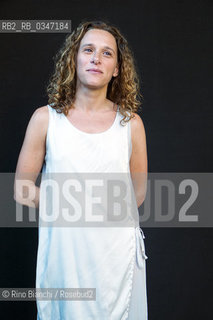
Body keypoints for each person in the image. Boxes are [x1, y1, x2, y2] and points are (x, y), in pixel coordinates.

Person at [14, 20, 148, 319]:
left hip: (116, 254)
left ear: (116, 69)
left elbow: (136, 195)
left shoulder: (131, 124)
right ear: (74, 59)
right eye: (88, 50)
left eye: (107, 53)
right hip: (66, 254)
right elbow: (22, 190)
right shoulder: (45, 119)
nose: (96, 58)